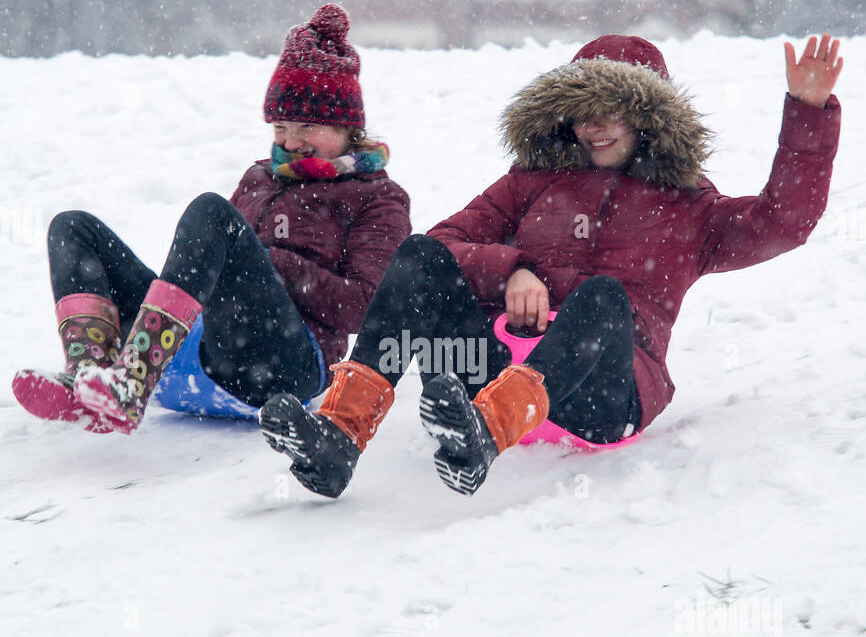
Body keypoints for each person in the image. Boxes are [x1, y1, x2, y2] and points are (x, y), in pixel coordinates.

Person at [259, 32, 842, 497]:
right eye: (582, 109)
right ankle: (340, 435)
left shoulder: (691, 206)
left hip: (602, 398)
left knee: (603, 297)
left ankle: (484, 439)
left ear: (650, 117)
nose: (594, 125)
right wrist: (511, 268)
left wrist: (808, 111)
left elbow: (782, 223)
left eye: (612, 109)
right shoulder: (532, 182)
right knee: (419, 257)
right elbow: (443, 241)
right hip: (490, 370)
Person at [12, 4, 411, 433]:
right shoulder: (260, 176)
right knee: (73, 227)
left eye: (306, 126)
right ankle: (92, 377)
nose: (291, 142)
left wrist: (272, 264)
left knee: (211, 212)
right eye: (280, 127)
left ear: (347, 127)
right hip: (202, 349)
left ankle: (132, 382)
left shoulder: (379, 198)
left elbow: (367, 308)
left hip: (283, 366)